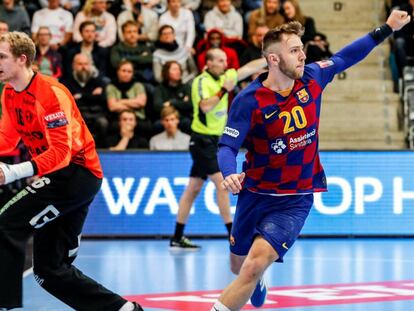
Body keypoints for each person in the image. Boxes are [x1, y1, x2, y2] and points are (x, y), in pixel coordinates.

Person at [210, 11, 410, 311]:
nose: (303, 55)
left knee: (252, 266)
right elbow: (227, 146)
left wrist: (388, 28)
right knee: (238, 266)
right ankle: (258, 276)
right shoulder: (248, 101)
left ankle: (253, 277)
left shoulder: (313, 77)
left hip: (295, 198)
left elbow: (346, 56)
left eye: (301, 48)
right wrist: (228, 173)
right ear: (274, 60)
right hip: (255, 193)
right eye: (294, 51)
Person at [0, 31, 142, 311]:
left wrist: (14, 172)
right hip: (57, 177)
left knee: (5, 223)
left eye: (2, 56)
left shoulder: (51, 93)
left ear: (22, 59)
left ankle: (3, 303)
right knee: (49, 272)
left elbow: (62, 154)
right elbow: (6, 139)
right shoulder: (9, 94)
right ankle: (124, 310)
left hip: (77, 174)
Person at [170, 47, 267, 249]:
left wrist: (270, 58)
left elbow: (247, 69)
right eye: (221, 61)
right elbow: (206, 106)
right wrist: (225, 89)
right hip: (202, 141)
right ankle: (232, 235)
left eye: (225, 61)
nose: (225, 64)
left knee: (193, 189)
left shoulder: (226, 75)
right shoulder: (200, 82)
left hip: (216, 140)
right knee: (223, 183)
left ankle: (177, 236)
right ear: (210, 63)